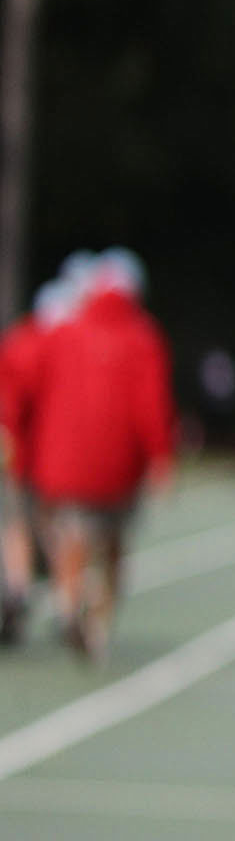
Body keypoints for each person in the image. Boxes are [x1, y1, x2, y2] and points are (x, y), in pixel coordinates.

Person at [24, 248, 176, 662]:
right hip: (121, 466)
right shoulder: (143, 337)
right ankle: (99, 622)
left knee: (72, 534)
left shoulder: (64, 332)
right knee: (112, 543)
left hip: (64, 459)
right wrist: (161, 457)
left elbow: (26, 385)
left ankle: (69, 603)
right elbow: (151, 404)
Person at [0, 256, 89, 647]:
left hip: (25, 452)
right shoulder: (74, 346)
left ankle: (19, 589)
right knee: (58, 529)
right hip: (60, 457)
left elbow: (9, 400)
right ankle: (65, 605)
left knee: (19, 523)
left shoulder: (22, 342)